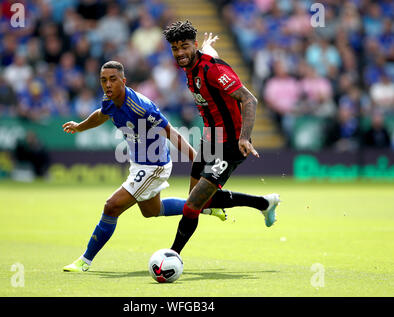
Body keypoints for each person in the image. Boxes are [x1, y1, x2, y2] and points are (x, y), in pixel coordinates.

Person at [61, 61, 225, 272]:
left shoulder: (141, 106)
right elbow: (102, 114)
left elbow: (171, 132)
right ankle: (204, 206)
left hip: (154, 165)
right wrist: (80, 127)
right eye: (103, 80)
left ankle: (85, 260)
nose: (108, 85)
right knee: (151, 211)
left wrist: (197, 160)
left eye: (113, 79)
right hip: (139, 163)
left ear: (123, 81)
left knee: (111, 206)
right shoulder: (109, 99)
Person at [162, 21, 280, 255]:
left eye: (185, 47)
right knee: (198, 200)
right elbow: (207, 52)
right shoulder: (191, 63)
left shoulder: (212, 69)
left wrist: (245, 138)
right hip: (211, 138)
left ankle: (171, 256)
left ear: (194, 45)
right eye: (175, 48)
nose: (180, 53)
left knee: (193, 205)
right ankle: (264, 203)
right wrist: (206, 47)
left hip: (231, 144)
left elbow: (250, 100)